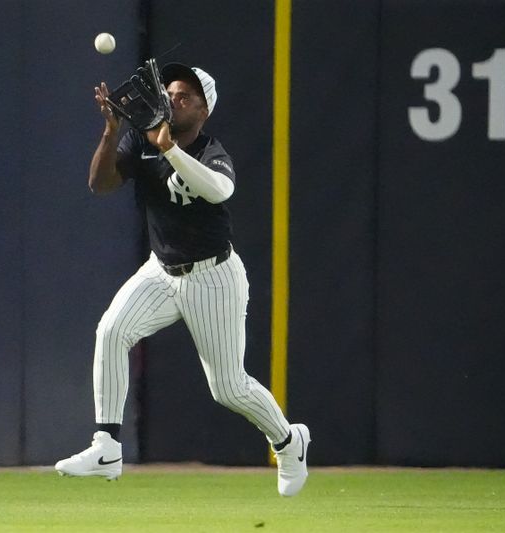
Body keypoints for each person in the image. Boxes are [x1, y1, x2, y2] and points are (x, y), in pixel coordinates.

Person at [55, 63, 310, 496]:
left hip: (212, 276)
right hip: (161, 269)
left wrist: (171, 150)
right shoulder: (142, 140)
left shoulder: (211, 149)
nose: (173, 99)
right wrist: (111, 129)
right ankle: (107, 446)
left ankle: (288, 441)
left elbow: (219, 190)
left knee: (228, 387)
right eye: (170, 93)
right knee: (112, 330)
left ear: (204, 110)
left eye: (186, 96)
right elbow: (99, 184)